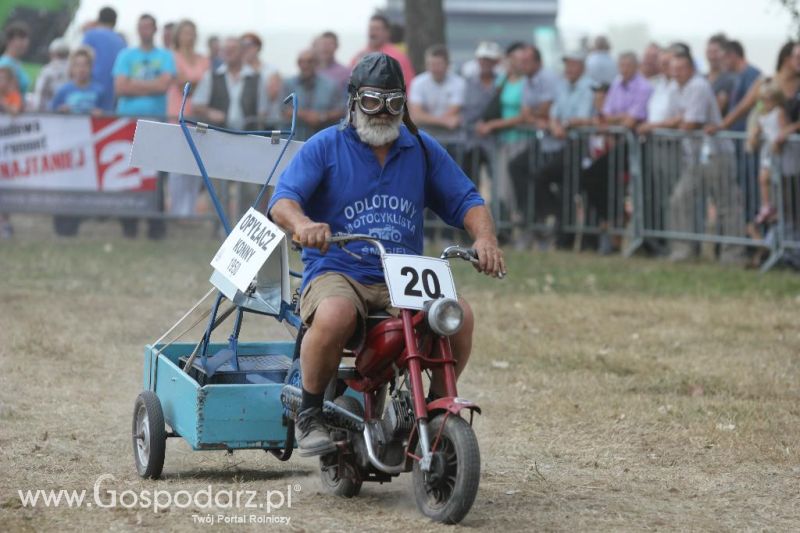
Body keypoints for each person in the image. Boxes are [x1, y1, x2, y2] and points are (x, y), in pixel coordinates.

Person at [267, 53, 504, 455]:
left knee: (457, 316)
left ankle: (436, 408)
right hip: (338, 269)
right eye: (373, 101)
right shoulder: (326, 145)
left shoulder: (422, 149)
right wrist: (304, 225)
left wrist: (485, 239)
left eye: (393, 103)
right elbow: (283, 201)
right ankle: (309, 412)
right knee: (337, 313)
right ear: (354, 100)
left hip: (401, 274)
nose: (383, 113)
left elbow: (468, 199)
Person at [665, 51, 744, 263]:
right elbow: (672, 120)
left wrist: (679, 122)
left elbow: (691, 123)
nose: (677, 74)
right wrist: (677, 122)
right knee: (680, 198)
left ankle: (733, 254)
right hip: (694, 156)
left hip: (717, 153)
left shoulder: (699, 86)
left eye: (681, 69)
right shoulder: (673, 88)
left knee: (726, 204)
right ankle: (684, 250)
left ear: (691, 69)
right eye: (674, 70)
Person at [508, 50, 588, 248]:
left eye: (573, 65)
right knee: (519, 166)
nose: (569, 69)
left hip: (576, 145)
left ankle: (548, 220)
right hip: (552, 141)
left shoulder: (585, 87)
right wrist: (551, 122)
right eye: (567, 65)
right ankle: (537, 216)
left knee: (548, 179)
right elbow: (545, 112)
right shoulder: (562, 86)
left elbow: (553, 111)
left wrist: (559, 123)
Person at [113, 13, 176, 240]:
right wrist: (151, 86)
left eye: (149, 27)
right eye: (141, 27)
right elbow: (120, 87)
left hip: (155, 122)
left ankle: (155, 225)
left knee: (156, 175)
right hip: (128, 121)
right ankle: (128, 224)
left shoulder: (165, 56)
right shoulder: (126, 55)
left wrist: (134, 84)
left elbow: (164, 85)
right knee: (128, 173)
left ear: (155, 29)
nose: (145, 31)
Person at [166, 19, 210, 218]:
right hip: (177, 112)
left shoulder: (203, 59)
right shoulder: (171, 57)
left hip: (199, 115)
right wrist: (197, 83)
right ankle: (177, 210)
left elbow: (206, 84)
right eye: (184, 32)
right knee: (177, 165)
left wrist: (194, 83)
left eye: (191, 32)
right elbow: (179, 83)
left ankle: (190, 210)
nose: (188, 36)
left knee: (195, 165)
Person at [460, 41, 502, 184]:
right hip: (471, 141)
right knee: (470, 182)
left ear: (496, 62)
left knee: (498, 182)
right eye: (483, 59)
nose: (485, 63)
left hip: (495, 141)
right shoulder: (467, 83)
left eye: (489, 60)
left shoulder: (502, 83)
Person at [282, 49, 343, 142]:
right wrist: (307, 116)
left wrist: (322, 117)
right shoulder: (288, 84)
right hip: (294, 139)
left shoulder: (331, 85)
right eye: (301, 62)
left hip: (324, 140)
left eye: (309, 61)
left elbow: (341, 110)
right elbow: (283, 109)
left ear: (317, 63)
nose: (305, 65)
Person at [748, 82, 787, 225]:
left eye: (769, 99)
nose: (765, 103)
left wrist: (779, 140)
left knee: (774, 180)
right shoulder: (761, 115)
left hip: (777, 150)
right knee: (763, 178)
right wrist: (753, 137)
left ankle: (772, 206)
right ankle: (767, 205)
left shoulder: (779, 112)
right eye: (762, 100)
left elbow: (784, 129)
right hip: (767, 151)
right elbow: (757, 130)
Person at [408, 44, 466, 133]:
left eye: (438, 64)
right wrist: (444, 121)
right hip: (423, 131)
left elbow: (454, 110)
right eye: (431, 64)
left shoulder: (459, 83)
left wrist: (425, 118)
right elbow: (416, 115)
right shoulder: (417, 82)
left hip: (451, 133)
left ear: (447, 64)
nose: (434, 68)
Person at [351, 14, 415, 87]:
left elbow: (409, 85)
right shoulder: (358, 57)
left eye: (377, 29)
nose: (373, 33)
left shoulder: (398, 57)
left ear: (387, 32)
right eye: (371, 29)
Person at [82, 6, 126, 112]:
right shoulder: (121, 41)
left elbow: (82, 58)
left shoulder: (90, 35)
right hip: (113, 92)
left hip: (90, 91)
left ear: (98, 19)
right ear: (115, 21)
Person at [241, 32, 283, 129]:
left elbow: (274, 96)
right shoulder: (237, 71)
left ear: (258, 47)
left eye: (249, 45)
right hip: (244, 123)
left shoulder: (271, 70)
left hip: (268, 122)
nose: (245, 49)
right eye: (242, 45)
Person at [49, 47, 108, 114]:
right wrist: (61, 110)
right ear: (72, 68)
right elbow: (52, 113)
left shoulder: (100, 91)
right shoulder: (63, 91)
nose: (81, 69)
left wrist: (101, 113)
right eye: (77, 65)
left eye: (85, 65)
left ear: (91, 67)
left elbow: (108, 114)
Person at [601, 52, 652, 128]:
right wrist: (622, 117)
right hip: (615, 134)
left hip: (635, 137)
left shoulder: (644, 87)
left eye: (628, 66)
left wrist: (613, 119)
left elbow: (631, 120)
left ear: (636, 67)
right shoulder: (616, 83)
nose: (624, 69)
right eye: (622, 65)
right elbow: (605, 116)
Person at [34, 38, 70, 111]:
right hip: (69, 110)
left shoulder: (47, 70)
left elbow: (40, 92)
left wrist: (37, 109)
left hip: (49, 111)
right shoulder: (74, 69)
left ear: (52, 53)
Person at [705, 33, 736, 114]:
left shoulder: (729, 79)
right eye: (709, 52)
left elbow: (718, 107)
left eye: (715, 52)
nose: (712, 56)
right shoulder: (702, 77)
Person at [314, 31, 350, 95]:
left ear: (336, 46)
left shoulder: (345, 73)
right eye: (322, 44)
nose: (325, 47)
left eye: (329, 44)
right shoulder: (311, 70)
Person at [0, 22, 31, 96]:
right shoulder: (5, 64)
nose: (25, 43)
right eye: (21, 39)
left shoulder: (17, 63)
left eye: (26, 39)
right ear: (9, 41)